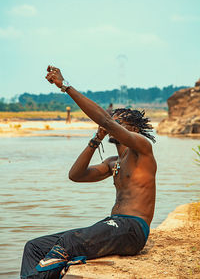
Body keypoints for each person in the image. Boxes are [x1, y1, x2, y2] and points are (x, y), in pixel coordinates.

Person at [20, 66, 157, 279]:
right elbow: (76, 175)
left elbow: (104, 120)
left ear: (134, 130)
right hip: (114, 224)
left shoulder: (142, 148)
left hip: (132, 228)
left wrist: (65, 86)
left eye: (119, 122)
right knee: (34, 247)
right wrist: (96, 140)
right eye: (114, 120)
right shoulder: (113, 163)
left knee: (69, 243)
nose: (114, 124)